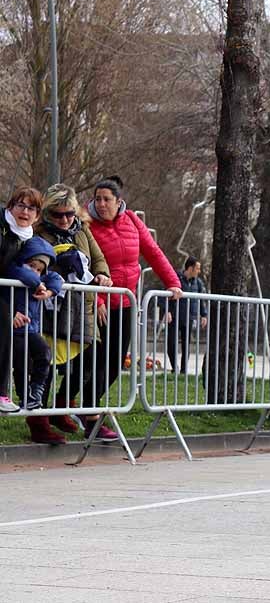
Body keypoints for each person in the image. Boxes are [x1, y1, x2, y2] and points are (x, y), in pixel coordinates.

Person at [82, 177, 182, 441]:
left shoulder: (132, 222)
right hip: (99, 302)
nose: (101, 204)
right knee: (97, 360)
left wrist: (172, 282)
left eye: (107, 199)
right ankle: (87, 415)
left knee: (115, 363)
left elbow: (152, 251)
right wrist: (100, 299)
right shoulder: (87, 224)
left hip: (126, 302)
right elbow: (89, 263)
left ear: (118, 202)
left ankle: (84, 409)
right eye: (97, 199)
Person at [35, 183, 112, 435]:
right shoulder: (39, 233)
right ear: (48, 213)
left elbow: (98, 258)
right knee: (44, 364)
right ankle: (38, 419)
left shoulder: (83, 230)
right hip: (51, 309)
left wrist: (101, 275)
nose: (65, 219)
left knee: (90, 361)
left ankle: (64, 406)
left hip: (82, 308)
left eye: (70, 213)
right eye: (59, 214)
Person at [4, 237, 65, 443]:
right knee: (21, 363)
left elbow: (57, 278)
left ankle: (36, 390)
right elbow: (19, 272)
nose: (35, 271)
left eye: (40, 269)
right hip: (14, 329)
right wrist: (36, 281)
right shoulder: (14, 269)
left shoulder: (43, 278)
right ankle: (23, 395)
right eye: (32, 265)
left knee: (44, 354)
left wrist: (49, 289)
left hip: (32, 329)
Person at [0, 186, 43, 414]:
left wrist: (50, 287)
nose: (25, 212)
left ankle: (7, 394)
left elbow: (46, 268)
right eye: (21, 205)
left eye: (31, 208)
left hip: (9, 302)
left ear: (37, 215)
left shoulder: (29, 240)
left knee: (38, 351)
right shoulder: (3, 230)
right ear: (11, 207)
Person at [161, 257, 209, 374]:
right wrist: (166, 310)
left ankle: (183, 370)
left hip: (188, 317)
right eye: (197, 268)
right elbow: (164, 294)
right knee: (171, 343)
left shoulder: (197, 283)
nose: (199, 271)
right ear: (190, 268)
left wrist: (204, 315)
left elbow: (201, 299)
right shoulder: (175, 277)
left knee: (186, 344)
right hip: (174, 316)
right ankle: (174, 367)